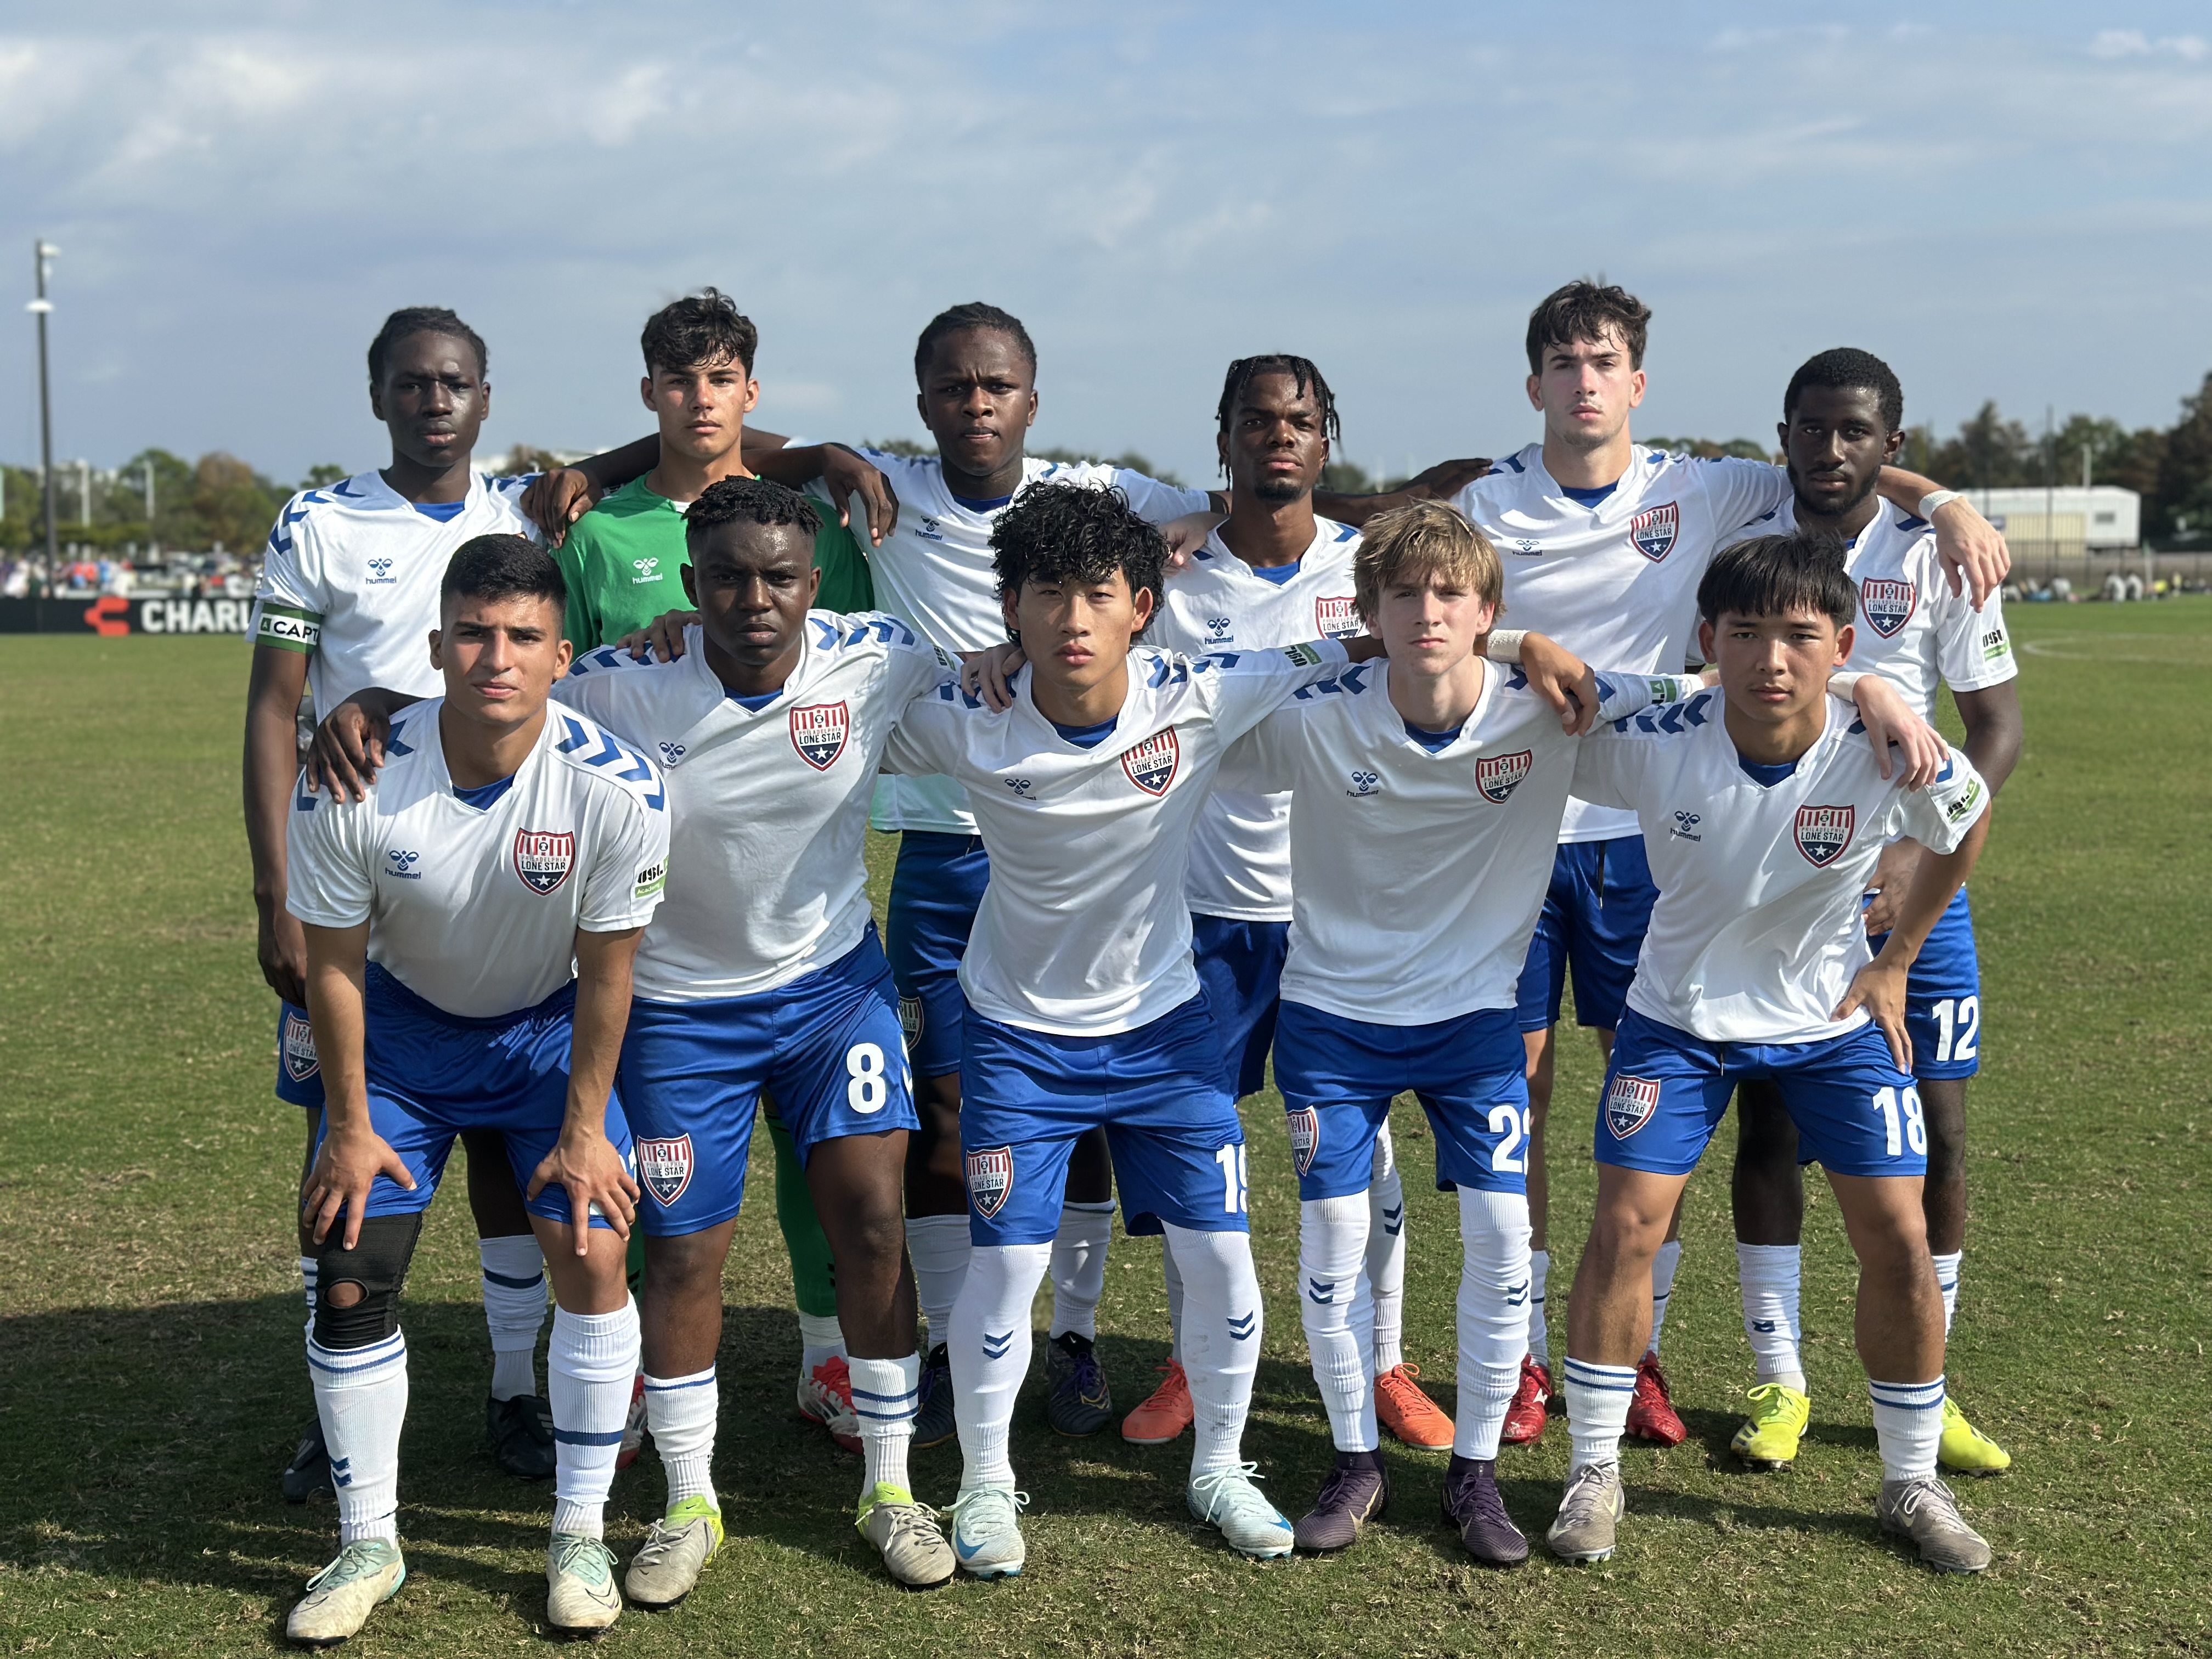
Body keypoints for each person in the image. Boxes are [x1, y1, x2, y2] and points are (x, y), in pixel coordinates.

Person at [1327, 279, 2011, 1449]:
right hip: (1516, 828)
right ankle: (1528, 1354)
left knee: (1655, 1106)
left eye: (1605, 362)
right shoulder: (1487, 500)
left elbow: (1835, 470)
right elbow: (1408, 596)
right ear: (1534, 383)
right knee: (1521, 1096)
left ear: (1637, 381)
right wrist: (1520, 641)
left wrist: (1940, 506)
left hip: (1655, 830)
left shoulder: (1703, 484)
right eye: (1564, 362)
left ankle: (1635, 1353)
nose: (1584, 383)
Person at [311, 478, 956, 1593]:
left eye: (780, 577)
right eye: (728, 578)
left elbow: (1000, 673)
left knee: (872, 1218)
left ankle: (893, 1490)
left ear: (815, 582)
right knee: (685, 1249)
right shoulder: (623, 683)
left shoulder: (878, 656)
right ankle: (688, 1502)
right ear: (691, 583)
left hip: (831, 996)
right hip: (676, 1012)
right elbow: (490, 693)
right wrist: (368, 701)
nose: (755, 599)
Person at [882, 482, 1416, 1574]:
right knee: (1005, 1273)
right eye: (1047, 595)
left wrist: (1524, 645)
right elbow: (815, 684)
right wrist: (683, 631)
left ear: (1141, 607)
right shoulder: (963, 714)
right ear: (1011, 608)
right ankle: (985, 1485)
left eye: (1097, 595)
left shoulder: (1201, 694)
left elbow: (1380, 645)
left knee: (1222, 1259)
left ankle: (1220, 1469)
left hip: (1167, 1037)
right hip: (1019, 1041)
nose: (1072, 620)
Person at [1221, 501, 1704, 1561]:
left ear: (1487, 611)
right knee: (1334, 1243)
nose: (1428, 613)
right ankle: (1355, 1463)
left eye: (1452, 596)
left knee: (1498, 1241)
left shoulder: (1548, 709)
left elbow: (1703, 695)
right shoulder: (1316, 715)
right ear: (1369, 611)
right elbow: (1190, 693)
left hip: (1475, 1024)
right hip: (1333, 1021)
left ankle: (1475, 1477)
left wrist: (1863, 689)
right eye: (1404, 596)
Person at [1545, 533, 1994, 1573]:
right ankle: (1593, 1470)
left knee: (1900, 1235)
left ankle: (1910, 1480)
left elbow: (1967, 821)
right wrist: (1523, 645)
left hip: (1830, 1023)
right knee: (1626, 1227)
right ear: (1709, 641)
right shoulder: (1659, 737)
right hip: (1678, 1022)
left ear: (1842, 646)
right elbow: (1533, 699)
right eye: (1745, 634)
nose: (1772, 660)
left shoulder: (1885, 746)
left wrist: (1899, 960)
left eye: (1800, 636)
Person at [280, 536, 668, 1642]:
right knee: (349, 1271)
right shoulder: (352, 773)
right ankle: (368, 1545)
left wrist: (587, 1131)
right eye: (474, 634)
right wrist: (350, 1125)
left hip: (544, 1037)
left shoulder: (618, 788)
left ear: (561, 656)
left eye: (524, 637)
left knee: (594, 1250)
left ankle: (579, 1535)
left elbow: (610, 974)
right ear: (437, 643)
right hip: (398, 1037)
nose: (497, 658)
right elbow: (333, 967)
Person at [550, 289, 877, 1453]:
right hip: (653, 927)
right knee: (662, 1172)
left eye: (721, 378)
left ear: (752, 389)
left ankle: (827, 1353)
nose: (701, 400)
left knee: (822, 1158)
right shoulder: (598, 531)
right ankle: (646, 1368)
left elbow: (838, 664)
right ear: (649, 393)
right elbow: (553, 679)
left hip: (806, 914)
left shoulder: (817, 524)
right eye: (679, 381)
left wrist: (829, 455)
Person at [245, 307, 564, 1500]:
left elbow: (657, 454)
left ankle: (515, 1389)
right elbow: (274, 705)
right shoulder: (318, 522)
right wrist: (275, 887)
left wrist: (829, 456)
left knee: (506, 1152)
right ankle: (331, 1403)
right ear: (378, 395)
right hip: (355, 882)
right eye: (414, 383)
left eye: (457, 383)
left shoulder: (524, 514)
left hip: (498, 876)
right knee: (343, 1132)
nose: (436, 401)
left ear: (487, 397)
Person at [1126, 354, 1451, 1451]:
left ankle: (1386, 1360)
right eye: (1257, 420)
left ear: (1326, 439)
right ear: (1223, 437)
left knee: (1366, 1158)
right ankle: (1190, 1361)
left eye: (1300, 421)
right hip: (1201, 912)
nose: (1279, 435)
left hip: (1340, 915)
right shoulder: (1170, 579)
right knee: (1197, 1149)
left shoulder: (1374, 569)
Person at [1725, 349, 2022, 1476]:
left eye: (1856, 433)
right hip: (1785, 887)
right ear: (1785, 435)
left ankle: (1927, 1385)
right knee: (1773, 1129)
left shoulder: (1939, 556)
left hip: (1916, 892)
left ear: (1890, 445)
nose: (1831, 449)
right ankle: (1780, 1379)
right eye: (1812, 428)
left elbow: (1996, 728)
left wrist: (1914, 851)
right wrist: (1941, 492)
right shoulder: (1745, 528)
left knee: (1940, 1131)